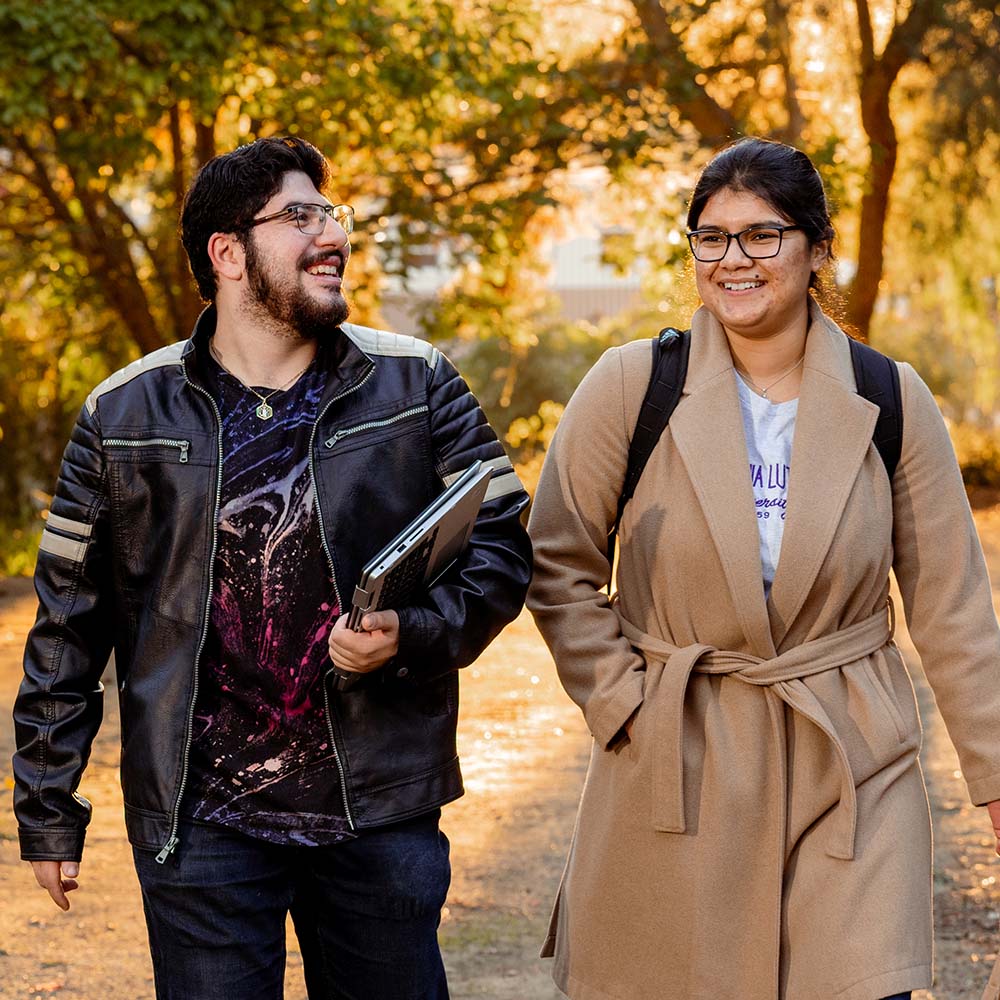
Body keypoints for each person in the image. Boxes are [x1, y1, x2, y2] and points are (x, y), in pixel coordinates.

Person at [12, 135, 531, 1000]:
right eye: (300, 216)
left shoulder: (419, 383)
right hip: (201, 821)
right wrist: (47, 807)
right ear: (227, 253)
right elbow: (67, 624)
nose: (332, 234)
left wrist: (413, 634)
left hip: (378, 811)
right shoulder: (120, 414)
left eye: (334, 214)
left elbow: (506, 541)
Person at [526, 136, 1000, 1000]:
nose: (733, 260)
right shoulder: (633, 387)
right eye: (711, 237)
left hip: (851, 760)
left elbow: (954, 605)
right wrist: (622, 702)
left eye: (762, 235)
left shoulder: (890, 399)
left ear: (818, 250)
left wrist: (996, 769)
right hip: (680, 757)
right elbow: (555, 562)